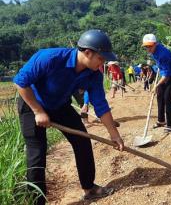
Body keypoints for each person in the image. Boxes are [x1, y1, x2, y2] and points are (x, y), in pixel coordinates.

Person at [13, 29, 125, 205]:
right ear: (87, 52)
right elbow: (20, 82)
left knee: (82, 140)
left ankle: (89, 188)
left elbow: (101, 105)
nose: (102, 63)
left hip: (60, 106)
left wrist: (114, 135)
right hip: (31, 103)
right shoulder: (49, 58)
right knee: (37, 153)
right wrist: (38, 111)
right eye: (101, 58)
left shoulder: (93, 74)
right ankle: (36, 202)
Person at [142, 34, 171, 133]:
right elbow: (161, 67)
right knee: (159, 95)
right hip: (165, 73)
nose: (148, 48)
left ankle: (169, 125)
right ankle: (161, 120)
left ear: (156, 44)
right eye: (146, 46)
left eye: (150, 46)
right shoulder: (154, 51)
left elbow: (167, 76)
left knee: (167, 98)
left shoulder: (163, 54)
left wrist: (156, 85)